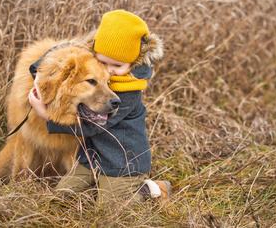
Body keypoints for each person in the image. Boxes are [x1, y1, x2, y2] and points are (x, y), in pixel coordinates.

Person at [28, 10, 171, 206]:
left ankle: (152, 189)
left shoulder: (129, 91)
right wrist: (39, 75)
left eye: (117, 65)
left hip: (122, 162)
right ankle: (98, 187)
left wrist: (45, 115)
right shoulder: (92, 55)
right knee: (60, 199)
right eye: (102, 62)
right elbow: (58, 52)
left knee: (112, 208)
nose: (108, 70)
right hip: (90, 158)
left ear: (132, 64)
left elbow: (94, 126)